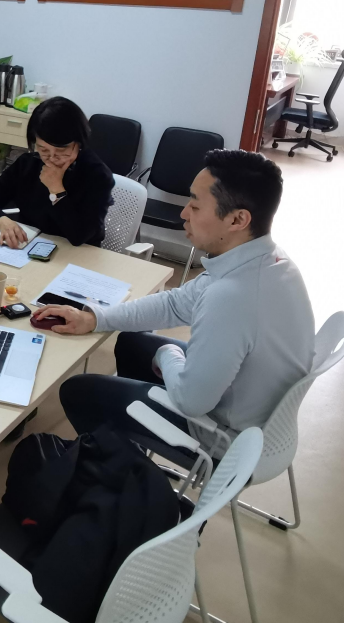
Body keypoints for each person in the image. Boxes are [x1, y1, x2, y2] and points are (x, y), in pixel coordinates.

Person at [46, 149, 314, 459]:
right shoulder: (268, 260)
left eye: (196, 205)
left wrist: (168, 355)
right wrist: (95, 318)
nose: (184, 213)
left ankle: (125, 474)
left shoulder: (232, 297)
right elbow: (174, 304)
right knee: (133, 344)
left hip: (227, 439)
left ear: (238, 219)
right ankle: (127, 452)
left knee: (78, 391)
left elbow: (191, 401)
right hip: (250, 405)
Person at [0, 96, 114, 248]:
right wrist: (1, 220)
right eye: (43, 149)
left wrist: (56, 190)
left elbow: (79, 236)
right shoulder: (28, 164)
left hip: (79, 254)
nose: (52, 158)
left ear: (79, 143)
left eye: (61, 150)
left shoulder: (97, 175)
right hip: (30, 246)